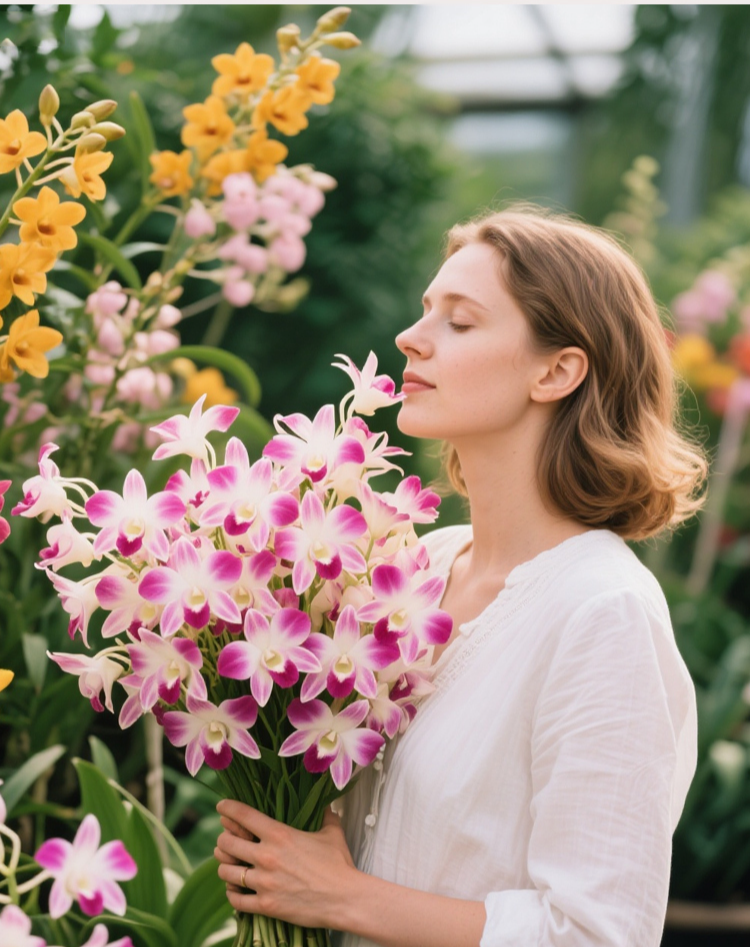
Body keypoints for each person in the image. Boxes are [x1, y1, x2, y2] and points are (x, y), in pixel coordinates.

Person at [214, 203, 707, 947]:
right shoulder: (416, 566)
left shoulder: (602, 612)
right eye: (424, 312)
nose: (411, 339)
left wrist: (342, 896)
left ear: (557, 369)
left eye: (461, 321)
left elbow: (598, 934)